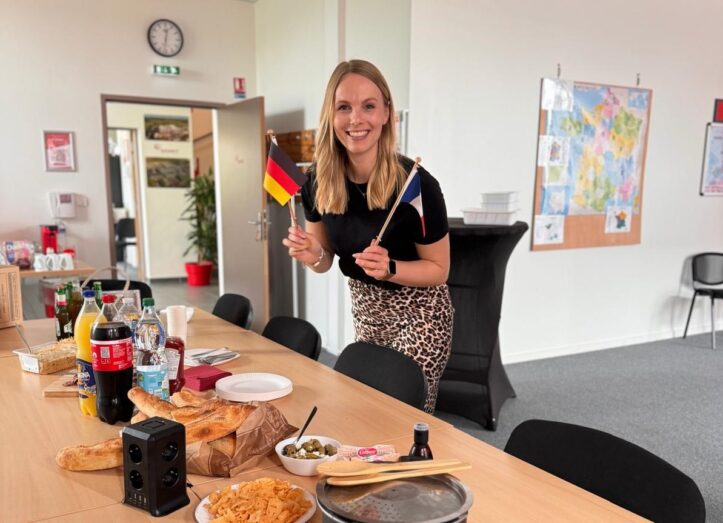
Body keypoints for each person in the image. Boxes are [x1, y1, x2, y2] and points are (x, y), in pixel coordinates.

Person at [283, 59, 453, 413]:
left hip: (419, 314)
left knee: (401, 418)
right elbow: (324, 261)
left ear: (387, 113)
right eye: (344, 107)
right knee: (366, 410)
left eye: (369, 106)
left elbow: (439, 269)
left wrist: (390, 267)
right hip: (365, 310)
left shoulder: (417, 184)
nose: (356, 119)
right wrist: (312, 253)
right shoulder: (317, 181)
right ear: (331, 114)